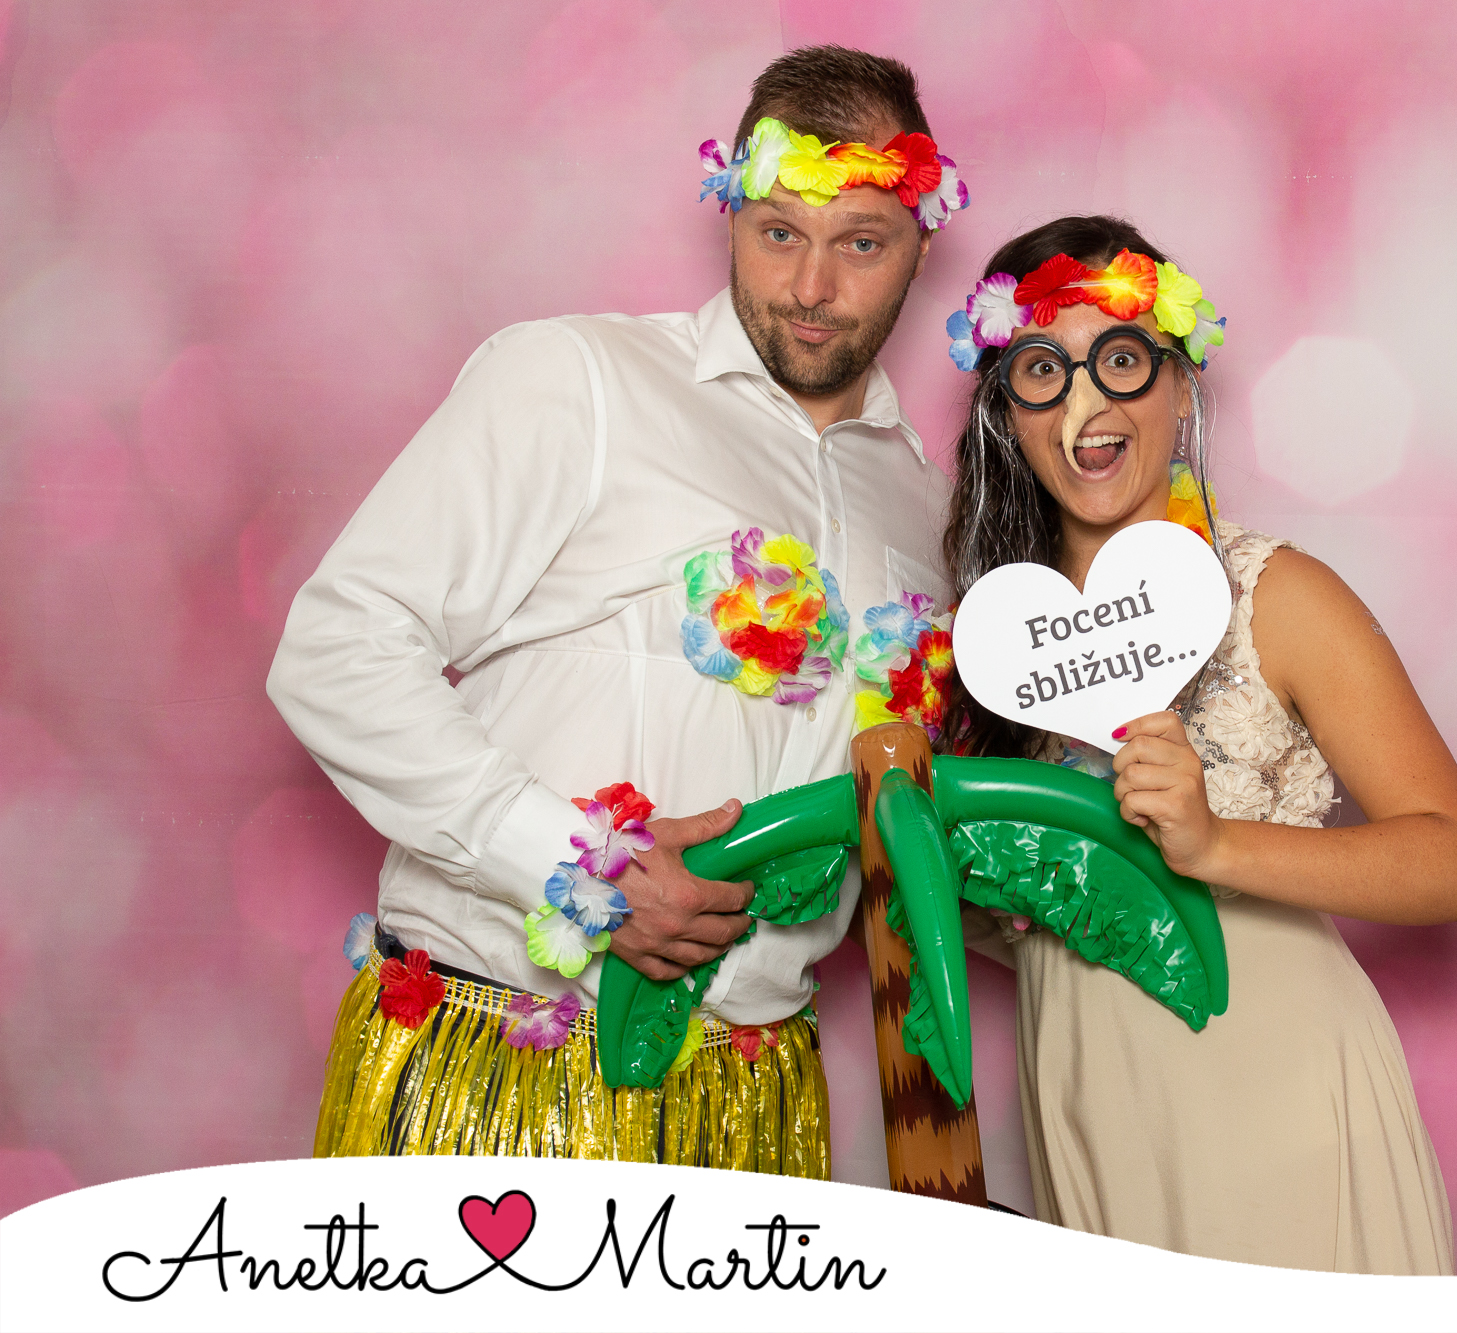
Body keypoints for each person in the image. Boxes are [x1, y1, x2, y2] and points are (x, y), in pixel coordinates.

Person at [267, 46, 969, 1173]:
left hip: (755, 1097)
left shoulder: (927, 509)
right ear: (730, 212)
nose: (809, 287)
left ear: (920, 244)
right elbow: (336, 648)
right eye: (778, 232)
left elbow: (910, 826)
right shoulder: (579, 381)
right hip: (502, 1064)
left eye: (860, 244)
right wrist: (578, 866)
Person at [937, 216, 1457, 1271]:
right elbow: (1016, 908)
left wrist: (1214, 845)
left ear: (1179, 382)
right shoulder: (987, 644)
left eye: (1119, 359)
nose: (1087, 405)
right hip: (1092, 1099)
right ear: (1005, 412)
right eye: (1042, 370)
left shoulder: (1276, 595)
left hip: (1274, 1096)